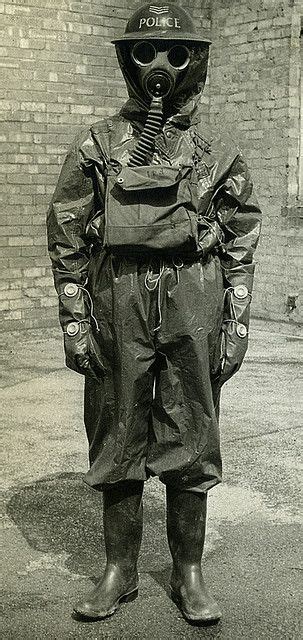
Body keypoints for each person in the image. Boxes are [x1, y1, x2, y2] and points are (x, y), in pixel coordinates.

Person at [47, 2, 261, 625]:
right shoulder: (98, 145)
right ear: (127, 61)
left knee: (191, 428)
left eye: (175, 53)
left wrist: (236, 321)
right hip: (118, 299)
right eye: (145, 52)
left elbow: (241, 238)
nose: (160, 66)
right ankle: (120, 570)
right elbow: (67, 233)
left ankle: (189, 572)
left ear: (195, 61)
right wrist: (75, 318)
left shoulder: (215, 150)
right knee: (117, 429)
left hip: (195, 299)